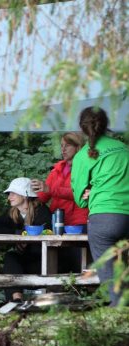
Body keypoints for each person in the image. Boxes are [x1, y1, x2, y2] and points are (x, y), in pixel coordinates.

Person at [71, 106, 129, 306]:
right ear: (106, 125)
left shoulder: (83, 156)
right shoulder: (124, 149)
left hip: (105, 218)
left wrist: (91, 193)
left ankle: (118, 326)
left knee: (113, 284)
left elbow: (79, 198)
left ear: (82, 128)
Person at [31, 132, 89, 273]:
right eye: (61, 145)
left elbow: (80, 194)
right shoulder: (56, 170)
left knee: (78, 264)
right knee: (57, 261)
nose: (63, 149)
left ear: (78, 147)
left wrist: (50, 189)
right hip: (56, 223)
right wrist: (26, 200)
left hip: (78, 223)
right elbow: (43, 197)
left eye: (67, 145)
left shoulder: (86, 168)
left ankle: (83, 290)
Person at [0, 177, 52, 302]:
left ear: (25, 195)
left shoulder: (42, 211)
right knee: (10, 257)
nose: (9, 197)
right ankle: (16, 300)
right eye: (9, 194)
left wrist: (26, 238)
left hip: (43, 262)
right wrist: (18, 234)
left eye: (13, 193)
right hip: (24, 262)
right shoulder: (13, 213)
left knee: (15, 258)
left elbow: (49, 232)